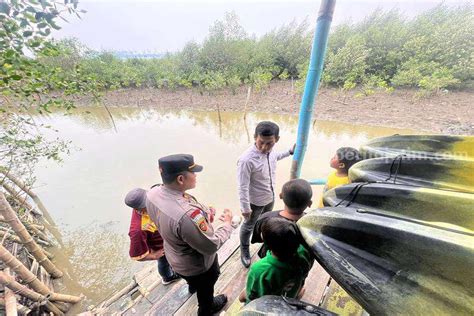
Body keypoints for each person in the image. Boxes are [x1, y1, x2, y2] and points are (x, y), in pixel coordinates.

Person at [146, 154, 235, 316]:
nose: (195, 176)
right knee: (206, 292)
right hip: (198, 267)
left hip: (174, 256)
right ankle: (207, 308)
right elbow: (211, 245)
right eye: (193, 172)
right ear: (181, 179)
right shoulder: (187, 216)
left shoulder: (152, 193)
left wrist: (205, 213)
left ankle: (193, 286)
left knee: (193, 283)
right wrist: (228, 225)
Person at [237, 121, 295, 268]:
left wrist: (289, 152)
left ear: (277, 140)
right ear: (255, 137)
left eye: (269, 143)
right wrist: (245, 208)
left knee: (267, 221)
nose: (264, 147)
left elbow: (276, 156)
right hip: (254, 201)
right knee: (248, 225)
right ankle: (244, 249)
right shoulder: (246, 160)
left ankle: (266, 243)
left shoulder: (272, 151)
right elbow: (242, 186)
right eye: (261, 142)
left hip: (270, 196)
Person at [239, 217, 313, 303]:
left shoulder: (259, 269)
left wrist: (244, 296)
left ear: (265, 242)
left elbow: (253, 296)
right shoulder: (303, 253)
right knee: (300, 290)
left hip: (269, 305)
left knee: (241, 297)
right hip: (290, 295)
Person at [124, 188, 180, 285]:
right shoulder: (137, 230)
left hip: (167, 238)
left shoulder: (152, 201)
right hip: (160, 247)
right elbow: (136, 255)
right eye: (148, 203)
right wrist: (153, 255)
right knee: (164, 262)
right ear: (139, 209)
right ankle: (168, 278)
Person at [251, 179, 313, 258]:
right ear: (310, 203)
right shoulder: (312, 223)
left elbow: (260, 238)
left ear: (281, 196)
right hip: (300, 261)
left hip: (271, 258)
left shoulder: (266, 218)